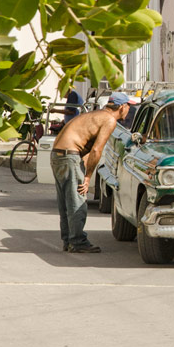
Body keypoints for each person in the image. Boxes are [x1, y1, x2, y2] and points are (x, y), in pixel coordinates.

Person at [51, 92, 130, 253]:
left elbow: (87, 149)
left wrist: (84, 170)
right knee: (77, 201)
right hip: (69, 156)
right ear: (122, 107)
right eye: (128, 106)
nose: (129, 109)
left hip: (58, 154)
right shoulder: (109, 120)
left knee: (66, 202)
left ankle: (68, 240)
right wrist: (87, 177)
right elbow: (96, 150)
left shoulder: (97, 114)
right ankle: (78, 242)